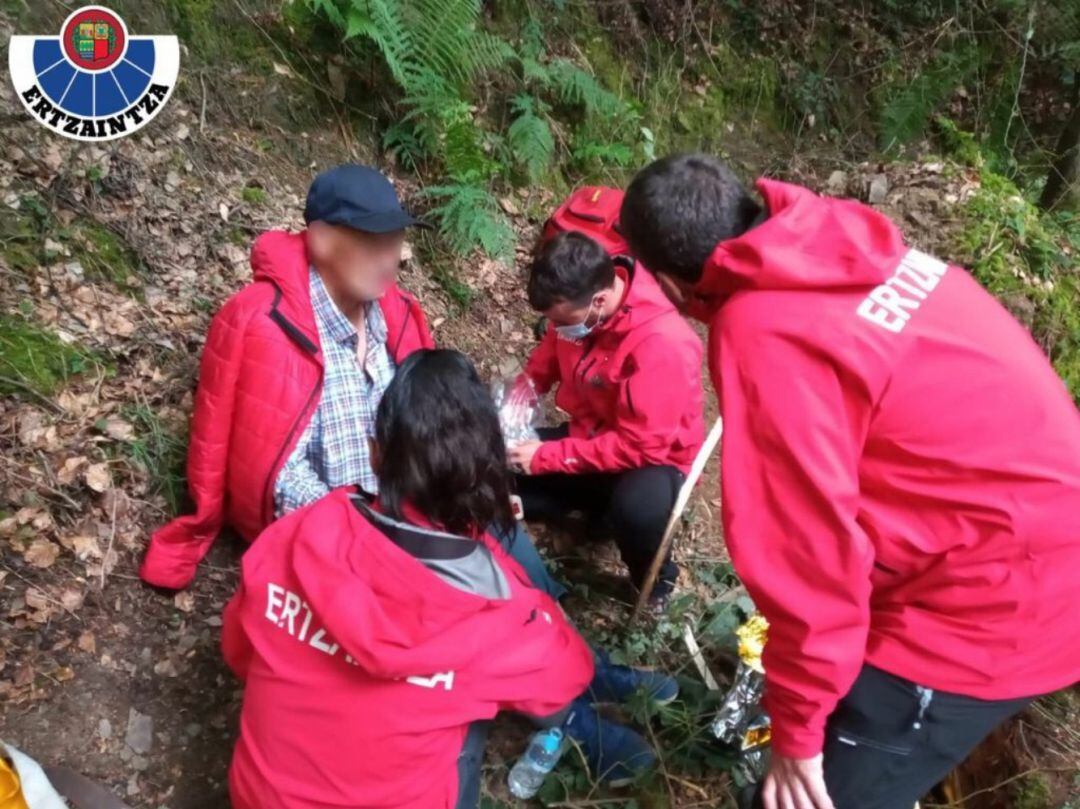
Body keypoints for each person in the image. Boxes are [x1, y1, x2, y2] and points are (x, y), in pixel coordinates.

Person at [618, 153, 1080, 809]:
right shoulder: (846, 247)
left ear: (667, 281)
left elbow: (806, 561)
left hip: (996, 606)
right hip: (1023, 538)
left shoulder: (764, 330)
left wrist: (798, 731)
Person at [222, 350, 670, 809]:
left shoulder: (297, 534)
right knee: (485, 707)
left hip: (259, 796)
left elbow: (239, 650)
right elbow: (565, 674)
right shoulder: (499, 609)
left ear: (375, 454)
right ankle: (577, 722)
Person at [138, 164, 557, 599]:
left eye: (395, 243)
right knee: (456, 608)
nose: (390, 259)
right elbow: (278, 474)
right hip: (332, 527)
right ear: (320, 238)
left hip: (404, 506)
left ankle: (558, 629)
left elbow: (422, 417)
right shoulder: (263, 322)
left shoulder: (394, 311)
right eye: (373, 243)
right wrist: (364, 533)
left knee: (497, 536)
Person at [508, 226, 705, 609]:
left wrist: (548, 457)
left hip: (653, 461)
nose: (560, 329)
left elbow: (641, 446)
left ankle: (655, 585)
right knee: (499, 463)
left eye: (565, 321)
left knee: (637, 510)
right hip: (590, 437)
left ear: (599, 300)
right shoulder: (577, 309)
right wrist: (521, 395)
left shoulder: (662, 344)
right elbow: (548, 356)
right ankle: (592, 511)